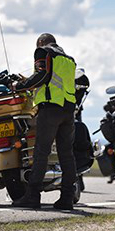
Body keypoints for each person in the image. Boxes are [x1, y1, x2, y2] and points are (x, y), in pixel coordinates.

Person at [11, 33, 77, 210]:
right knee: (66, 155)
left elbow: (42, 76)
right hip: (68, 110)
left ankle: (32, 197)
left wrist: (19, 86)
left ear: (41, 42)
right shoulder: (69, 60)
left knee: (41, 153)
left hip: (50, 109)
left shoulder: (43, 52)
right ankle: (67, 198)